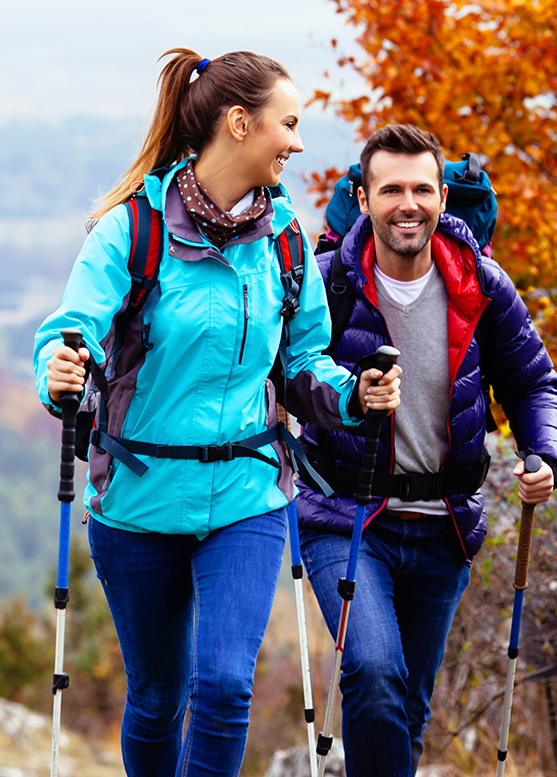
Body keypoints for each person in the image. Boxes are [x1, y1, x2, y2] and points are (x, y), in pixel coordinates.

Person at [34, 49, 399, 777]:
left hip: (248, 494)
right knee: (158, 696)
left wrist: (352, 395)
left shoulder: (287, 239)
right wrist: (61, 373)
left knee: (226, 684)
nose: (297, 143)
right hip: (138, 499)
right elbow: (70, 332)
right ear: (240, 124)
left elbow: (302, 362)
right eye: (287, 124)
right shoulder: (131, 230)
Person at [293, 124, 557, 776]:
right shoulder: (327, 283)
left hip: (446, 524)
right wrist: (343, 396)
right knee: (373, 667)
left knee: (405, 709)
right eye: (391, 189)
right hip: (346, 514)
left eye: (422, 188)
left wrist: (547, 457)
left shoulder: (482, 284)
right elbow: (289, 378)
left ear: (444, 197)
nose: (408, 203)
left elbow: (534, 383)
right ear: (362, 199)